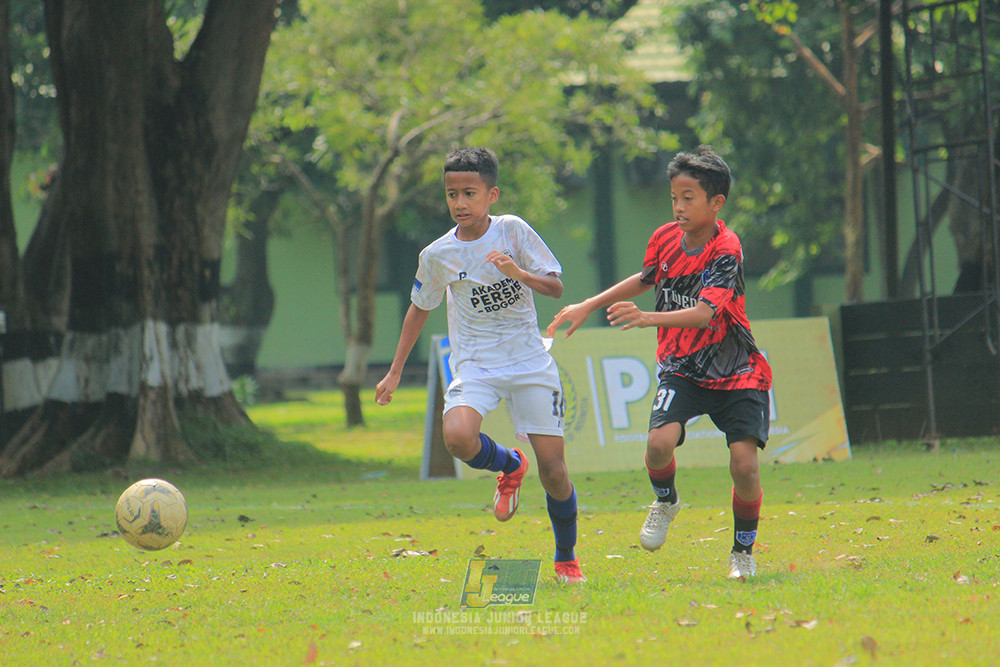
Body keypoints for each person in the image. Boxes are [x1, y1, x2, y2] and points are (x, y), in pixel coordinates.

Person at [546, 145, 771, 580]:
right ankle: (666, 500)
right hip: (681, 366)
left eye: (689, 197)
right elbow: (647, 278)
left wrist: (647, 316)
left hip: (736, 369)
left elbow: (706, 315)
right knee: (657, 446)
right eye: (674, 197)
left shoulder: (726, 248)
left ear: (716, 202)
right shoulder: (665, 237)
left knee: (744, 467)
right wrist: (588, 304)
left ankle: (742, 552)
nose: (679, 206)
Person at [375, 146, 585, 584]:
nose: (459, 203)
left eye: (469, 193)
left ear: (492, 195)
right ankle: (510, 464)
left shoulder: (513, 231)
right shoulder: (437, 255)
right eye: (452, 194)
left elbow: (555, 287)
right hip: (475, 364)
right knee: (457, 438)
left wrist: (518, 273)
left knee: (555, 471)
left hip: (529, 361)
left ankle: (566, 559)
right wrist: (394, 370)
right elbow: (419, 307)